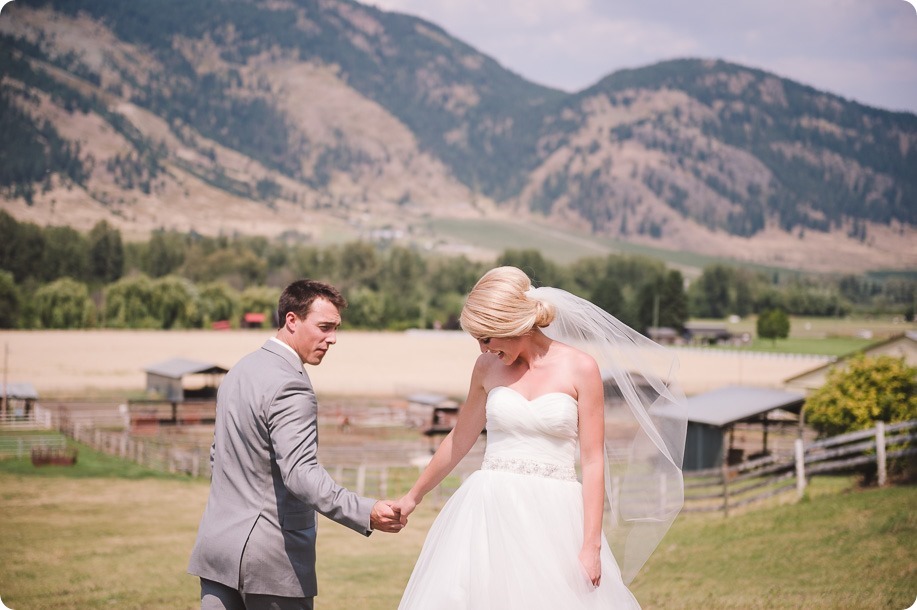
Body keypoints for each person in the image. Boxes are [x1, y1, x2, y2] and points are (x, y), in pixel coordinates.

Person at [394, 266, 687, 609]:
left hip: (554, 517)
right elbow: (459, 439)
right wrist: (413, 496)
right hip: (489, 510)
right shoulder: (486, 368)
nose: (483, 348)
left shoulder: (581, 368)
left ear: (511, 325)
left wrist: (591, 544)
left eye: (486, 337)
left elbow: (593, 461)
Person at [188, 280, 404, 610]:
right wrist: (366, 511)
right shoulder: (291, 385)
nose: (332, 338)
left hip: (217, 548)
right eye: (324, 327)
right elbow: (301, 475)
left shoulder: (240, 370)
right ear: (292, 320)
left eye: (336, 328)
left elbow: (219, 455)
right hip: (271, 559)